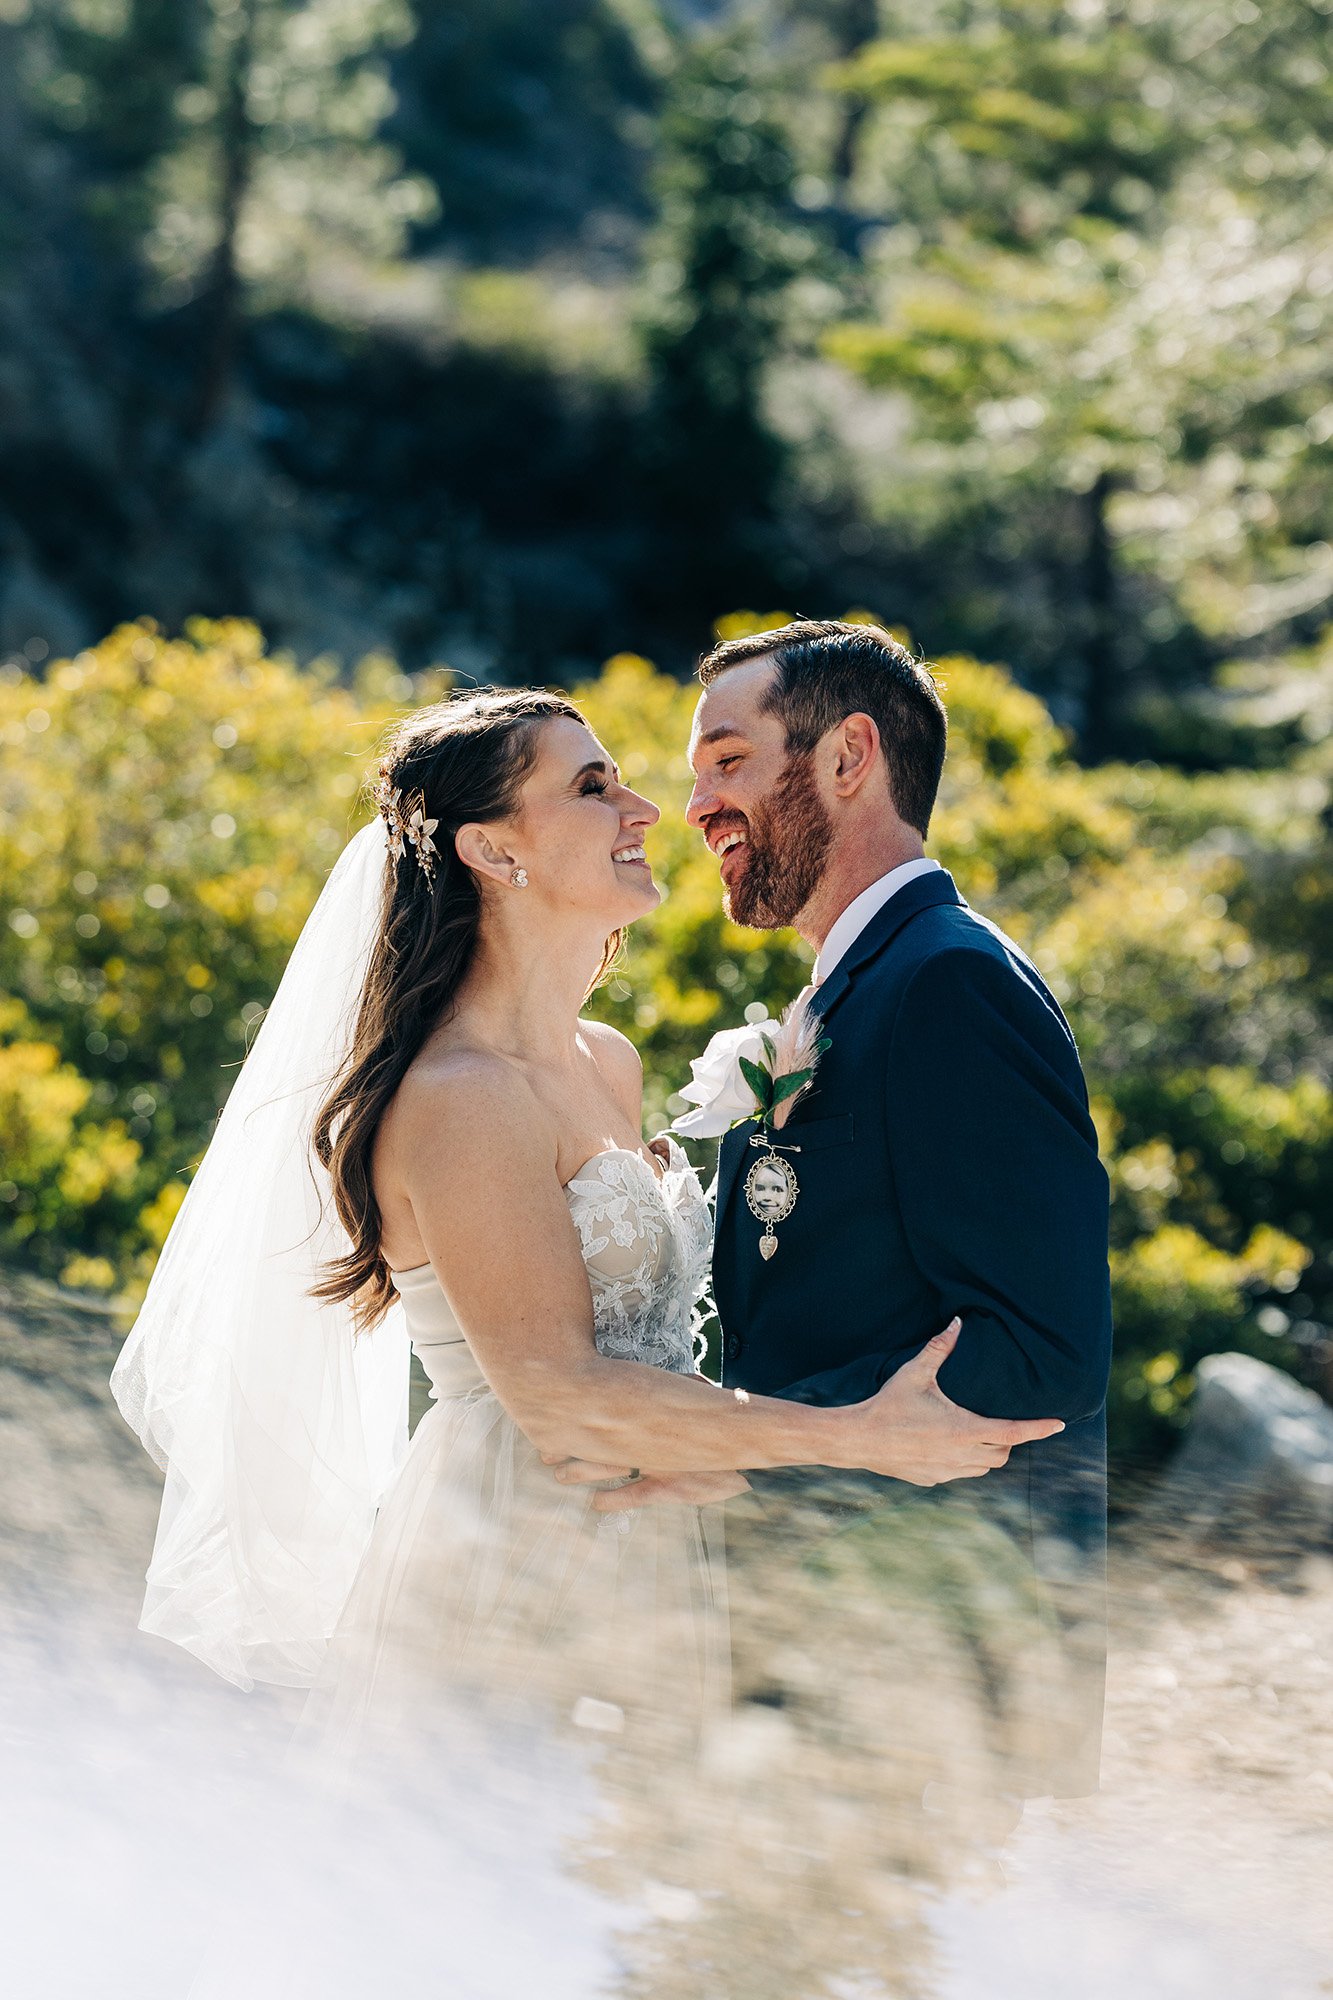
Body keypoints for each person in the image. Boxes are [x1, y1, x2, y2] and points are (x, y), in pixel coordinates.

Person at [112, 685, 1063, 1759]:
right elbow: (560, 1396)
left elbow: (643, 1338)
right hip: (510, 1552)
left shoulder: (602, 1059)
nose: (646, 808)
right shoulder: (458, 1096)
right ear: (494, 850)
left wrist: (726, 1443)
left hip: (650, 1533)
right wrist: (860, 1441)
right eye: (590, 786)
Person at [597, 620, 1113, 1802]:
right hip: (829, 1636)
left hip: (922, 1655)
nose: (695, 806)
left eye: (725, 761)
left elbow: (1042, 1352)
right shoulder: (867, 984)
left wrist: (756, 1441)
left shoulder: (950, 982)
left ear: (847, 758)